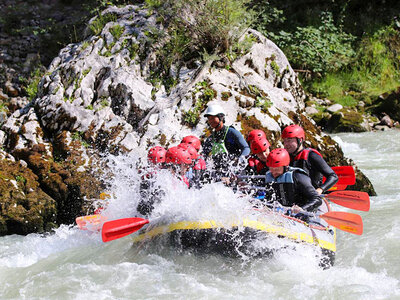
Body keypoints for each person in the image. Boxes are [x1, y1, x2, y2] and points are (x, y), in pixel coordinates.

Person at [261, 148, 322, 214]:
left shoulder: (298, 176)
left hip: (305, 215)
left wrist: (301, 209)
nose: (273, 172)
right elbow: (269, 199)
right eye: (271, 168)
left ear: (285, 167)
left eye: (277, 168)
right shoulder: (270, 177)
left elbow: (317, 199)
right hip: (285, 214)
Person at [282, 124, 338, 195]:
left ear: (300, 140)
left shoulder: (312, 156)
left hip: (312, 196)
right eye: (285, 141)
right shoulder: (284, 156)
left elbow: (333, 176)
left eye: (289, 140)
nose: (286, 144)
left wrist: (320, 190)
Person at [202, 104, 250, 179]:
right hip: (219, 173)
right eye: (209, 119)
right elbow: (204, 155)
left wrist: (240, 161)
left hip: (234, 171)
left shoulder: (232, 132)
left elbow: (246, 148)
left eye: (213, 118)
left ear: (220, 117)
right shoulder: (211, 138)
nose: (210, 121)